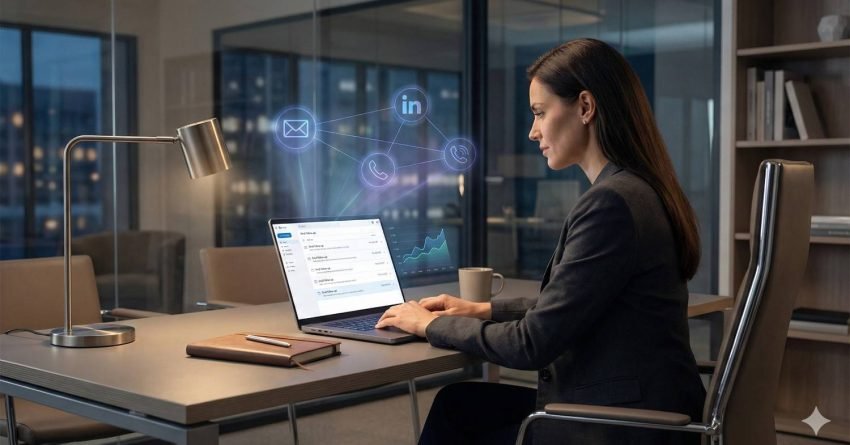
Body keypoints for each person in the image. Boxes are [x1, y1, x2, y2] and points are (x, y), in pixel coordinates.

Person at [376, 38, 706, 445]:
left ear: (585, 107)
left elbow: (531, 345)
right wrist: (482, 309)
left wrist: (432, 325)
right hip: (643, 406)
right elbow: (574, 303)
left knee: (458, 415)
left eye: (539, 113)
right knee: (459, 403)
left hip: (619, 425)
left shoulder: (611, 204)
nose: (532, 132)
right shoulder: (640, 190)